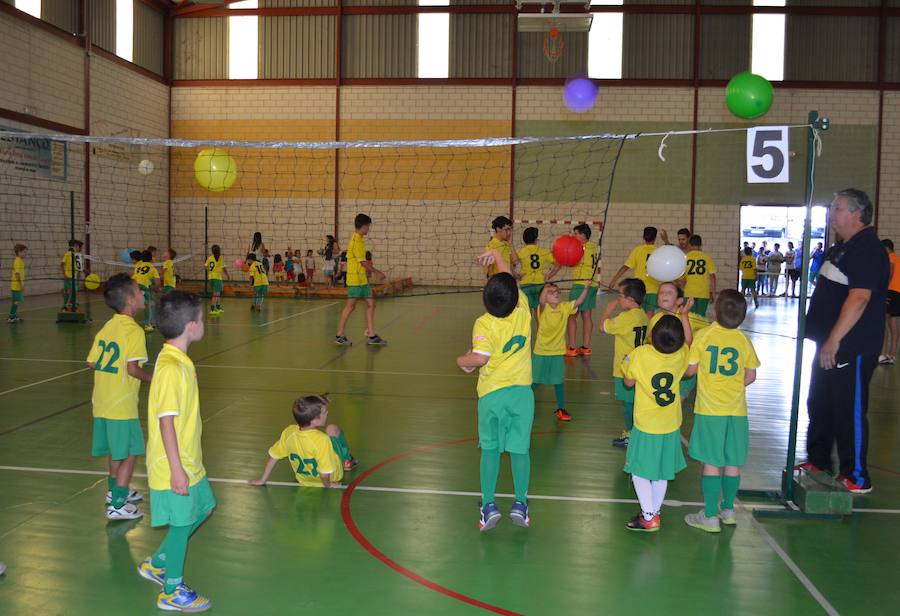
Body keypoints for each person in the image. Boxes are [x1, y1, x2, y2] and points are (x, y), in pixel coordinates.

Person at [801, 189, 890, 494]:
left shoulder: (867, 249)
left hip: (850, 345)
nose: (832, 214)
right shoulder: (841, 248)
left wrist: (835, 339)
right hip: (828, 343)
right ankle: (819, 460)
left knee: (847, 408)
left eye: (838, 209)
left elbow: (860, 297)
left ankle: (857, 475)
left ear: (857, 213)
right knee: (820, 401)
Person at [137, 291, 215, 612]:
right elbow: (165, 421)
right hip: (174, 464)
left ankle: (157, 563)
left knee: (205, 506)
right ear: (191, 326)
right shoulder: (170, 367)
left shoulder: (178, 360)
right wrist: (176, 470)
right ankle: (171, 590)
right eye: (202, 318)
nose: (204, 322)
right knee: (182, 524)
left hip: (189, 458)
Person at [457, 250, 534, 531]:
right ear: (515, 297)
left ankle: (488, 505)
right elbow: (509, 278)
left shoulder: (484, 323)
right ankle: (520, 503)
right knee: (520, 450)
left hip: (491, 396)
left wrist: (461, 361)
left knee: (489, 450)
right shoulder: (524, 310)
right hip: (521, 395)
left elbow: (479, 358)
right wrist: (498, 256)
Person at [683, 290, 759, 533]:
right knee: (733, 461)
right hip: (737, 411)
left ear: (715, 311)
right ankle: (728, 510)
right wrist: (733, 387)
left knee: (711, 462)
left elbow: (690, 371)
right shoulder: (743, 340)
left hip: (710, 410)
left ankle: (709, 516)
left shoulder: (704, 336)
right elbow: (751, 376)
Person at [86, 273, 153, 520]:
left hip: (102, 400)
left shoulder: (108, 327)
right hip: (121, 404)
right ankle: (117, 504)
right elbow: (132, 369)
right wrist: (155, 379)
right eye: (138, 290)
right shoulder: (134, 331)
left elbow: (92, 362)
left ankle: (113, 491)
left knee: (117, 451)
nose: (143, 293)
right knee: (130, 451)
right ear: (130, 300)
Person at [621, 315, 690, 532]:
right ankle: (653, 512)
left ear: (652, 335)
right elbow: (689, 345)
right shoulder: (682, 353)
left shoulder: (640, 354)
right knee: (662, 471)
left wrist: (627, 361)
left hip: (647, 424)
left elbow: (628, 382)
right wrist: (685, 317)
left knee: (638, 471)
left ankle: (649, 516)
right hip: (670, 423)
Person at [249, 394, 358, 488]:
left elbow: (274, 456)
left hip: (304, 480)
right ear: (314, 420)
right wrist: (329, 485)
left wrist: (262, 480)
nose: (327, 413)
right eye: (324, 412)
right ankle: (348, 460)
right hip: (332, 477)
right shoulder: (322, 440)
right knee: (332, 429)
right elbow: (324, 474)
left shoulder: (289, 432)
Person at [532, 282, 590, 422]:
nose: (556, 293)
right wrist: (546, 287)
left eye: (557, 291)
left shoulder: (564, 307)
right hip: (541, 352)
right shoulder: (543, 308)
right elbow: (541, 300)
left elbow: (579, 302)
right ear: (545, 296)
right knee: (535, 382)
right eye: (551, 292)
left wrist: (586, 288)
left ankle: (561, 408)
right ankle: (521, 402)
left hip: (557, 352)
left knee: (558, 382)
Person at [601, 278, 648, 447]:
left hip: (626, 369)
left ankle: (631, 434)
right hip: (639, 367)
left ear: (630, 299)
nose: (618, 299)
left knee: (629, 404)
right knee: (635, 402)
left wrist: (607, 311)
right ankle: (635, 432)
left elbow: (603, 327)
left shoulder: (626, 317)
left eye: (620, 296)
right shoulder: (642, 314)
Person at [335, 214, 387, 346]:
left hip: (362, 280)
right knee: (350, 307)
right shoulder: (356, 241)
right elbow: (363, 262)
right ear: (363, 226)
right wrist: (377, 272)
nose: (369, 228)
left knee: (371, 304)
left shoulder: (359, 240)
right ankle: (339, 335)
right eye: (368, 226)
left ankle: (371, 335)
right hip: (355, 281)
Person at [564, 223, 601, 357]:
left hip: (581, 285)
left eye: (576, 233)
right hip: (592, 284)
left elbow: (571, 263)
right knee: (587, 315)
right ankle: (585, 347)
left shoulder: (580, 248)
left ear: (583, 235)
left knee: (572, 315)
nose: (574, 236)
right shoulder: (595, 247)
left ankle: (572, 347)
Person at [609, 226, 660, 314]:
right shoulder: (659, 251)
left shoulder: (637, 250)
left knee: (637, 313)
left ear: (643, 237)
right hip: (653, 289)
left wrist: (614, 280)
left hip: (638, 290)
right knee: (650, 315)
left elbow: (625, 267)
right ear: (655, 238)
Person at [516, 227, 560, 316]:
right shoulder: (543, 251)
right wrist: (549, 275)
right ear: (536, 239)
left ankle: (527, 325)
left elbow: (512, 263)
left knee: (527, 312)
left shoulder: (521, 252)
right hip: (539, 284)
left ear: (524, 240)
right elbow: (558, 264)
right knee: (539, 312)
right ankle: (540, 325)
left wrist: (517, 275)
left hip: (526, 284)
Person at [682, 235, 717, 316]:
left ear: (689, 244)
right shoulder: (707, 257)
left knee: (690, 317)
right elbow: (713, 277)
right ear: (701, 245)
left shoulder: (685, 258)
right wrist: (713, 293)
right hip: (703, 293)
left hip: (689, 292)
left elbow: (682, 279)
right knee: (701, 317)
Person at [880, 239, 900, 365]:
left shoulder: (890, 257)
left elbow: (890, 272)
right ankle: (891, 355)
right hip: (897, 292)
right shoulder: (897, 258)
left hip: (891, 291)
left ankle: (885, 354)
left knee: (888, 323)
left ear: (886, 249)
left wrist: (884, 288)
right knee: (892, 323)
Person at [132, 250, 160, 332]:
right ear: (151, 259)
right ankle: (148, 325)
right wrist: (156, 289)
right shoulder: (152, 268)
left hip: (135, 286)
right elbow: (158, 282)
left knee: (136, 304)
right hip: (144, 287)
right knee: (149, 305)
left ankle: (128, 322)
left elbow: (134, 278)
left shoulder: (138, 266)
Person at [60, 239, 84, 312]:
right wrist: (64, 274)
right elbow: (62, 264)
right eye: (80, 247)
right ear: (75, 246)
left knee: (74, 291)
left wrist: (79, 274)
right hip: (68, 276)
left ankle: (72, 304)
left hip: (75, 277)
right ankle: (66, 306)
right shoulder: (68, 254)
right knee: (69, 292)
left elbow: (78, 267)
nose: (81, 248)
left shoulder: (78, 255)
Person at [204, 245, 229, 315]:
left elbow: (205, 266)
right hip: (217, 278)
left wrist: (210, 270)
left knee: (218, 293)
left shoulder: (210, 258)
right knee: (215, 294)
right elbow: (224, 268)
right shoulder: (220, 258)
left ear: (212, 251)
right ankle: (212, 309)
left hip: (211, 278)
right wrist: (227, 275)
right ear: (219, 251)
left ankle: (218, 307)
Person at [8, 243, 26, 323]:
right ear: (19, 252)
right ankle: (11, 317)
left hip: (15, 284)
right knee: (16, 301)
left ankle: (14, 315)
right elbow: (17, 274)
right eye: (24, 252)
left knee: (15, 301)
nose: (25, 253)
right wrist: (21, 285)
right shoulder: (18, 261)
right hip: (16, 285)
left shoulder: (19, 260)